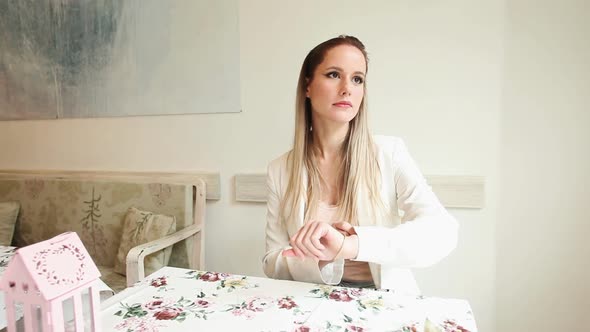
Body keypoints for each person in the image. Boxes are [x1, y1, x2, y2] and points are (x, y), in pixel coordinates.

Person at [263, 35, 458, 294]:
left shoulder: (390, 153)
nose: (347, 88)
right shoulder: (280, 169)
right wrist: (320, 258)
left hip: (385, 300)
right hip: (313, 298)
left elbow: (442, 232)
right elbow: (271, 262)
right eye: (334, 74)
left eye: (358, 79)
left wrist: (352, 245)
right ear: (307, 87)